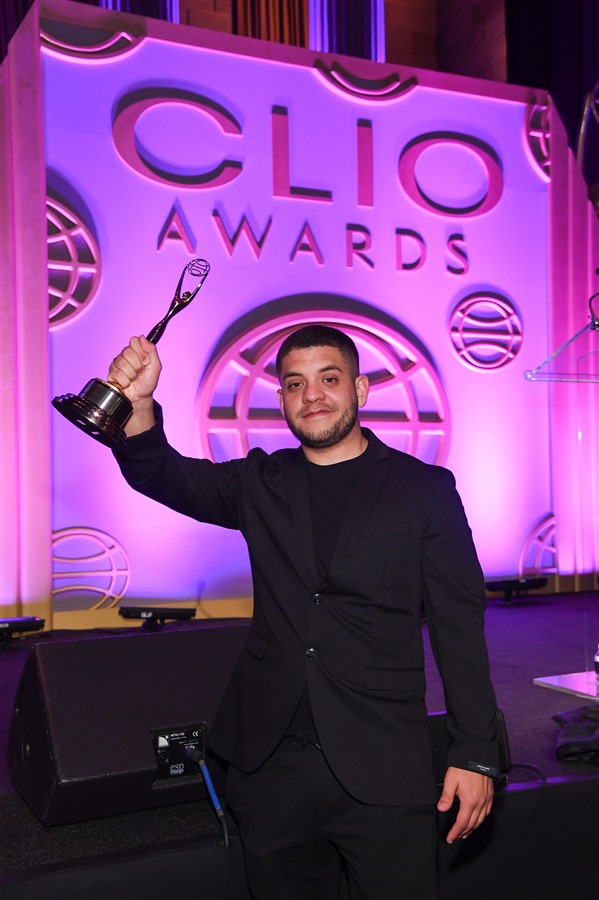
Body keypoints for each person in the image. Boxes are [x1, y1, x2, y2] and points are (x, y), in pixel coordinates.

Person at [109, 324, 499, 900]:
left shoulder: (425, 490)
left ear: (359, 389)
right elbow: (159, 472)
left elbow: (458, 628)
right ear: (283, 399)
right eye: (295, 383)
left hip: (383, 764)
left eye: (328, 378)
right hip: (270, 768)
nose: (311, 394)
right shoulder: (259, 482)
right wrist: (139, 404)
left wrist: (476, 755)